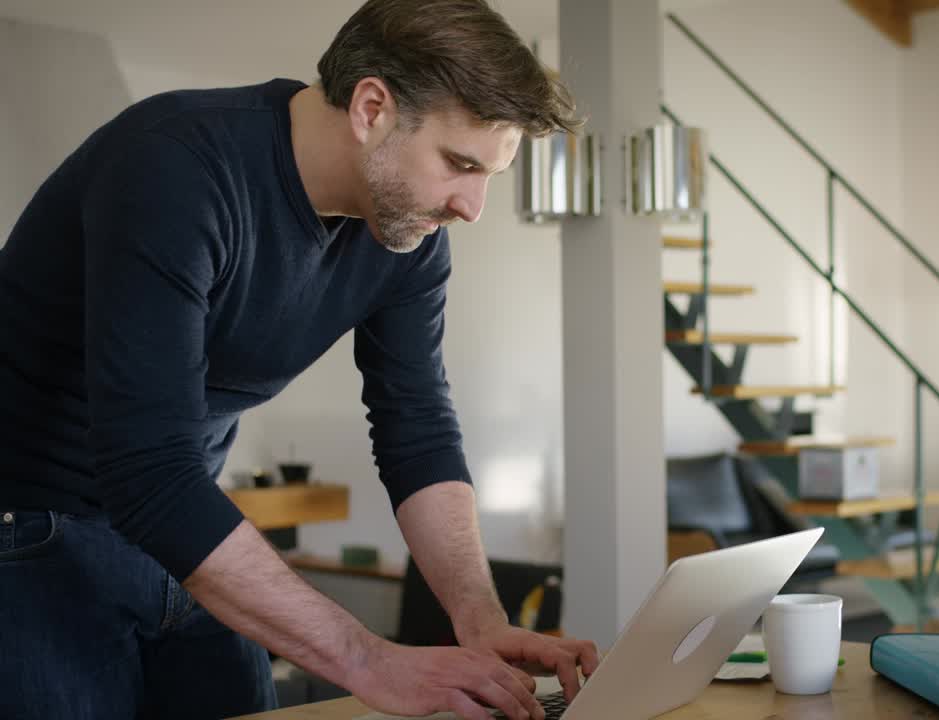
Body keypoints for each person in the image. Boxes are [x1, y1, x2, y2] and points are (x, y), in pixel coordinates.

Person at [0, 1, 598, 718]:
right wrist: (368, 659)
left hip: (178, 523)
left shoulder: (407, 235)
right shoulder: (175, 166)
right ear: (372, 108)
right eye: (460, 164)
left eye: (489, 174)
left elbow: (417, 431)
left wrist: (481, 620)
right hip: (26, 527)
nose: (471, 206)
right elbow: (148, 468)